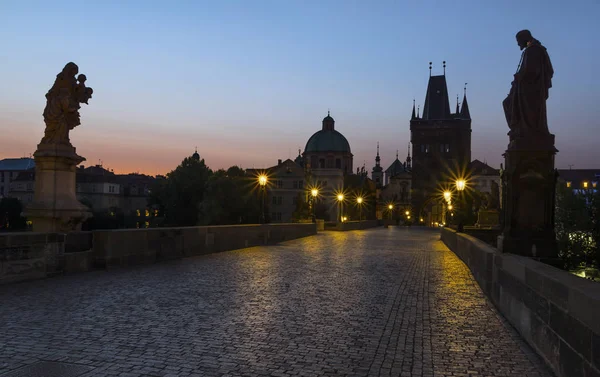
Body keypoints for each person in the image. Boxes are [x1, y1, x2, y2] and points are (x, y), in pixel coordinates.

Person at [502, 30, 554, 141]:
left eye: (518, 41)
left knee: (510, 103)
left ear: (524, 38)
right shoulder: (531, 50)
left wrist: (518, 77)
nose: (517, 44)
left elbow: (531, 71)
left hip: (530, 89)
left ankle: (522, 129)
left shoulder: (534, 50)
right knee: (507, 102)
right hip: (524, 87)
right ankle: (518, 128)